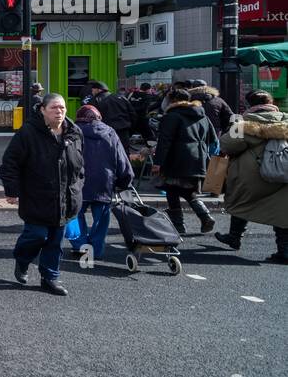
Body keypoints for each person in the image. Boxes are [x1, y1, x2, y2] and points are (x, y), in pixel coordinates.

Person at [0, 93, 85, 296]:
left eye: (62, 107)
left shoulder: (74, 133)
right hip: (36, 197)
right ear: (43, 110)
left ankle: (50, 278)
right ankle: (22, 260)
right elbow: (10, 164)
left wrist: (79, 185)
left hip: (66, 199)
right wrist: (11, 190)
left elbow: (81, 165)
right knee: (37, 235)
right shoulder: (28, 133)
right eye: (54, 107)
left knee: (55, 242)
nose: (59, 111)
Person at [215, 90, 288, 263]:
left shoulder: (241, 123)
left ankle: (234, 237)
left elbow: (228, 146)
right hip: (283, 172)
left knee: (242, 202)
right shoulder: (285, 119)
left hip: (252, 175)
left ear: (249, 104)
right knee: (283, 211)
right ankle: (284, 251)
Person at [152, 86, 217, 235]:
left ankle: (180, 225)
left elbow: (164, 141)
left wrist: (158, 163)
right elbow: (213, 139)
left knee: (171, 189)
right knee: (183, 189)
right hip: (198, 160)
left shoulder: (172, 116)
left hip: (176, 159)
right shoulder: (202, 115)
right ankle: (203, 216)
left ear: (173, 100)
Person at [74, 104, 133, 260]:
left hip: (78, 181)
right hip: (104, 181)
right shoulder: (110, 132)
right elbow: (122, 159)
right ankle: (96, 248)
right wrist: (125, 180)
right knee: (101, 217)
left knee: (75, 214)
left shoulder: (73, 131)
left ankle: (81, 245)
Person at [86, 80, 136, 147]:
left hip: (105, 133)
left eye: (92, 90)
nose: (92, 92)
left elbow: (90, 119)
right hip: (123, 131)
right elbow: (133, 115)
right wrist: (129, 131)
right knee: (124, 153)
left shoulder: (94, 101)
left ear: (98, 90)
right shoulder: (121, 98)